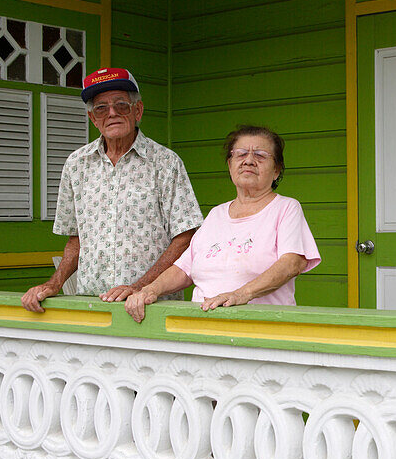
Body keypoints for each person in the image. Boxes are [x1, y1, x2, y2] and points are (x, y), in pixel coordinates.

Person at [21, 68, 204, 312]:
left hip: (152, 306)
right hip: (92, 305)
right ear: (92, 118)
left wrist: (140, 287)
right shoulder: (76, 165)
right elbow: (75, 240)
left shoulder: (165, 163)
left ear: (137, 111)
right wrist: (55, 283)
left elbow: (185, 237)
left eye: (121, 105)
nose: (112, 113)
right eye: (101, 108)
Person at [125, 125, 320, 323]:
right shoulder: (216, 214)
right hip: (203, 328)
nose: (249, 161)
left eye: (260, 155)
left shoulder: (286, 208)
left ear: (276, 170)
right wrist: (150, 290)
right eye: (240, 154)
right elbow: (184, 269)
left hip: (261, 328)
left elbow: (291, 263)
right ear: (230, 165)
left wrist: (240, 295)